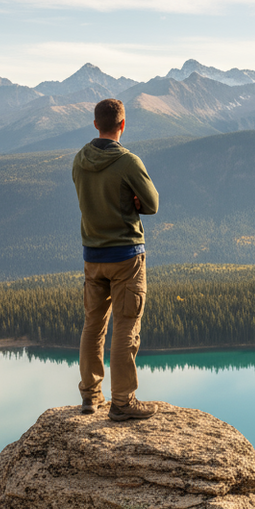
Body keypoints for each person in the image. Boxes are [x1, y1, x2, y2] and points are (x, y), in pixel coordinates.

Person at [72, 98, 160, 421]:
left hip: (92, 256)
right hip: (126, 256)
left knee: (93, 325)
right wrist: (132, 201)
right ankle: (122, 402)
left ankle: (89, 397)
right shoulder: (128, 163)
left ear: (96, 124)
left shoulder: (79, 161)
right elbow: (152, 204)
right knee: (126, 326)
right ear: (123, 125)